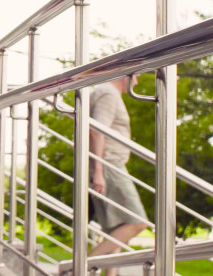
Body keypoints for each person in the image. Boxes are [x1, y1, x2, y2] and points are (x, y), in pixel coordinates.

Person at [88, 75, 150, 276]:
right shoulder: (108, 92)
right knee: (136, 222)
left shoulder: (108, 92)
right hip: (109, 165)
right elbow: (97, 131)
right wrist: (99, 170)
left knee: (116, 231)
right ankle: (77, 268)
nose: (137, 83)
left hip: (110, 165)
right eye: (137, 77)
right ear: (126, 76)